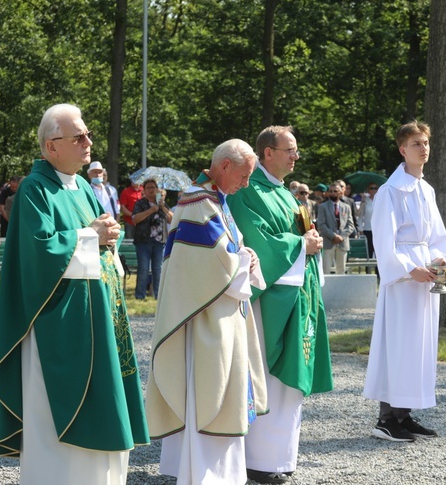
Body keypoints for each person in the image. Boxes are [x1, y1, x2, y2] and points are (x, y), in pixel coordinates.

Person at [0, 104, 149, 483]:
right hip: (57, 323)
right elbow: (39, 252)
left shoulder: (85, 188)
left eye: (88, 134)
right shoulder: (34, 189)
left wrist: (108, 235)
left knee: (105, 405)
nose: (88, 142)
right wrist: (92, 235)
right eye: (78, 137)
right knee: (56, 420)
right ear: (51, 146)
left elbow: (104, 235)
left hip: (98, 317)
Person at [145, 138, 268, 484]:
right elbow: (214, 266)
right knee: (207, 397)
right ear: (225, 166)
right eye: (243, 177)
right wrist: (243, 260)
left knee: (222, 395)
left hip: (223, 315)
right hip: (205, 320)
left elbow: (232, 250)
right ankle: (203, 477)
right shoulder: (199, 202)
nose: (245, 185)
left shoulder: (216, 201)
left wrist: (248, 255)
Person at [229, 125, 333, 484]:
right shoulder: (248, 191)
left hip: (294, 295)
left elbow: (296, 236)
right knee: (268, 378)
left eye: (297, 150)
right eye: (289, 149)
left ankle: (280, 457)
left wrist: (310, 240)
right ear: (267, 153)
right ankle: (259, 459)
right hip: (269, 300)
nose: (296, 156)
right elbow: (258, 241)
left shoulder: (289, 195)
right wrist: (301, 245)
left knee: (289, 384)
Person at [363, 120, 446, 442]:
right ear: (402, 149)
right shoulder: (389, 191)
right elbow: (384, 242)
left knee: (418, 347)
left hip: (425, 278)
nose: (423, 148)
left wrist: (438, 259)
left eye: (426, 142)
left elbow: (437, 235)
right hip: (403, 282)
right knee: (398, 346)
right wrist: (407, 269)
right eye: (416, 143)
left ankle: (405, 414)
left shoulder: (427, 189)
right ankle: (386, 417)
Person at [131, 179, 172, 300]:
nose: (151, 190)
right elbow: (135, 219)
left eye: (153, 187)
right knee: (143, 269)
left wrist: (163, 207)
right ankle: (140, 295)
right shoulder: (140, 203)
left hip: (159, 241)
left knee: (158, 269)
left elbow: (172, 219)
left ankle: (158, 296)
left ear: (157, 189)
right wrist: (151, 210)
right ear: (144, 189)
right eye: (148, 188)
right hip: (143, 241)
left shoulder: (162, 203)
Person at [316, 182, 355, 275]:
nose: (333, 193)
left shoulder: (346, 207)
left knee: (341, 270)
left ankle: (341, 289)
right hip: (328, 241)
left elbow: (350, 225)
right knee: (325, 270)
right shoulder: (322, 207)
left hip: (342, 242)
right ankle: (325, 289)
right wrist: (333, 236)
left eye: (335, 191)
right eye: (331, 191)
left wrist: (341, 236)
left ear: (341, 193)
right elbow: (321, 224)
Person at [358, 182, 379, 272]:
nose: (373, 190)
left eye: (375, 188)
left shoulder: (381, 199)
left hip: (379, 230)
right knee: (369, 252)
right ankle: (368, 272)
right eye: (371, 188)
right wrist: (360, 229)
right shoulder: (365, 200)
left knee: (379, 253)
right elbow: (359, 215)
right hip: (368, 229)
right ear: (368, 190)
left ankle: (379, 274)